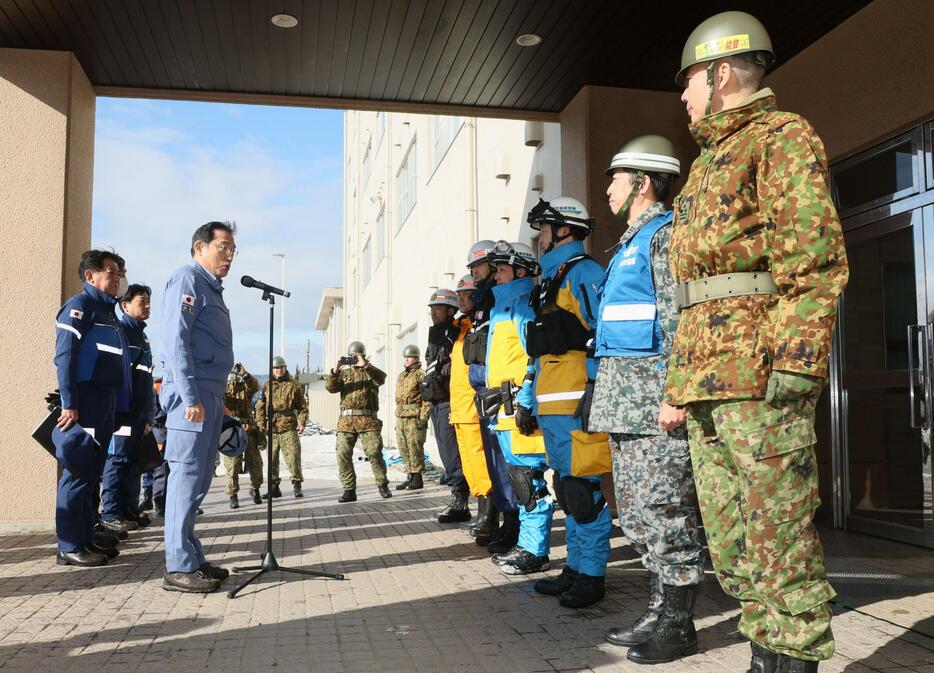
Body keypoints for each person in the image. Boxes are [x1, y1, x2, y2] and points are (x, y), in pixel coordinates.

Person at [665, 12, 849, 672]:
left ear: (719, 73)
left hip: (761, 377)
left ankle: (792, 660)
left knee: (781, 541)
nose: (682, 94)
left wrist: (798, 364)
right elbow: (693, 292)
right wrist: (677, 388)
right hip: (708, 385)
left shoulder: (781, 138)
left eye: (687, 80)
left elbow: (815, 261)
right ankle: (763, 656)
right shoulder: (705, 165)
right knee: (736, 546)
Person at [588, 136, 706, 663]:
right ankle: (659, 610)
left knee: (667, 512)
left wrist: (678, 393)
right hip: (625, 404)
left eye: (616, 177)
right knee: (637, 515)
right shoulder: (628, 244)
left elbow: (681, 321)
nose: (607, 187)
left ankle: (679, 627)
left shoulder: (664, 237)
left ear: (643, 182)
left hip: (657, 404)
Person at [523, 196, 613, 608]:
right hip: (554, 407)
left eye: (543, 228)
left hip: (578, 403)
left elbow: (604, 332)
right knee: (566, 487)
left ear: (564, 229)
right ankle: (575, 567)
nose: (538, 237)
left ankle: (592, 574)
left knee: (582, 490)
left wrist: (596, 388)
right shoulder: (552, 279)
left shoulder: (585, 272)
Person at [159, 221, 237, 593]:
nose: (229, 256)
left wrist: (216, 402)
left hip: (210, 395)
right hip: (191, 397)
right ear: (199, 247)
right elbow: (175, 341)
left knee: (201, 479)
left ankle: (191, 556)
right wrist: (190, 398)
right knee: (185, 479)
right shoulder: (187, 279)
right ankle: (177, 566)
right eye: (222, 247)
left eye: (233, 250)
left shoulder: (212, 290)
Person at [53, 249, 129, 566]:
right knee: (77, 473)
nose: (118, 278)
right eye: (111, 272)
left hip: (105, 403)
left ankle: (85, 539)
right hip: (83, 403)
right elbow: (65, 358)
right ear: (91, 276)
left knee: (92, 475)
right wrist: (70, 404)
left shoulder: (109, 314)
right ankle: (69, 546)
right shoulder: (79, 308)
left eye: (120, 272)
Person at [483, 241, 553, 575]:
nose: (496, 276)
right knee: (519, 476)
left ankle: (535, 551)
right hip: (503, 408)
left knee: (528, 479)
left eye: (502, 270)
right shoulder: (502, 309)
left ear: (521, 271)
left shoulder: (522, 306)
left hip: (518, 408)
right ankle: (528, 545)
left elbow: (534, 357)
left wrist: (526, 401)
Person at [462, 242, 520, 550]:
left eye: (478, 268)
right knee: (494, 462)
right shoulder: (485, 301)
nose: (475, 274)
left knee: (507, 462)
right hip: (484, 392)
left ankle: (514, 525)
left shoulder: (503, 299)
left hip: (500, 391)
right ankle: (502, 519)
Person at [101, 283, 156, 532]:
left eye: (148, 301)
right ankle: (112, 513)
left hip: (138, 414)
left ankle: (129, 510)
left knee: (134, 462)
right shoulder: (120, 331)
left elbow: (147, 379)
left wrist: (148, 415)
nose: (146, 305)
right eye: (141, 301)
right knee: (117, 460)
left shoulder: (142, 336)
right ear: (125, 305)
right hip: (122, 411)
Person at [450, 274, 497, 538]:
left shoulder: (476, 327)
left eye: (465, 294)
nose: (460, 299)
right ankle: (481, 511)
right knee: (470, 463)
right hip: (460, 408)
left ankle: (489, 514)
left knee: (481, 461)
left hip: (472, 405)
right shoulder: (461, 329)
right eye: (458, 295)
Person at [422, 289, 471, 523]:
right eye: (432, 310)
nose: (433, 314)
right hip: (436, 400)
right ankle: (458, 497)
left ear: (451, 310)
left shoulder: (455, 332)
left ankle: (461, 500)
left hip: (451, 399)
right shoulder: (436, 334)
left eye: (437, 309)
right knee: (445, 451)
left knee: (453, 453)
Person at [325, 341, 392, 502]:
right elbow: (330, 388)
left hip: (368, 419)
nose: (354, 359)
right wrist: (335, 370)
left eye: (357, 356)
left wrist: (365, 365)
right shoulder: (344, 373)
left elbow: (381, 378)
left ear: (363, 355)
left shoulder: (370, 371)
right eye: (351, 357)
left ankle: (382, 484)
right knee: (342, 453)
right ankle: (349, 489)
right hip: (346, 421)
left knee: (374, 453)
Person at [256, 356, 308, 498]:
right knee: (272, 459)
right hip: (272, 427)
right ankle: (274, 487)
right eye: (275, 368)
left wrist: (302, 422)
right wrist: (261, 425)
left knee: (293, 457)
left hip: (288, 426)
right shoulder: (267, 385)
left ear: (285, 368)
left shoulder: (293, 385)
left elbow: (303, 407)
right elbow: (260, 407)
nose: (278, 370)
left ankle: (297, 485)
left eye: (281, 367)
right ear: (272, 370)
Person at [223, 363, 263, 508]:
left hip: (248, 430)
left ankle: (256, 489)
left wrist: (245, 375)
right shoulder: (222, 389)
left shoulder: (245, 388)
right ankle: (233, 495)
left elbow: (255, 386)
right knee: (232, 465)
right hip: (230, 432)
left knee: (255, 462)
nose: (233, 379)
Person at [394, 345, 430, 490]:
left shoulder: (421, 374)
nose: (406, 359)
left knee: (415, 446)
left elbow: (426, 397)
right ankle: (410, 476)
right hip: (401, 416)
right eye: (405, 357)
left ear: (416, 358)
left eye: (409, 357)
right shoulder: (402, 375)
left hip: (414, 417)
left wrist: (423, 417)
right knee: (404, 447)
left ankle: (417, 478)